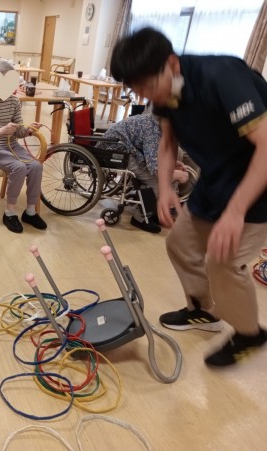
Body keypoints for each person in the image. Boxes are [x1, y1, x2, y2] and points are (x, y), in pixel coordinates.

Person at [110, 27, 267, 367]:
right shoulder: (167, 90)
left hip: (259, 184)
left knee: (223, 261)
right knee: (180, 244)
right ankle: (203, 311)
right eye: (137, 90)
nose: (146, 96)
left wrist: (236, 211)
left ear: (172, 64)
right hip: (217, 178)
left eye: (148, 87)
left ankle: (250, 333)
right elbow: (168, 142)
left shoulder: (221, 76)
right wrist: (164, 188)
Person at [0, 59, 47, 233]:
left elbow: (19, 131)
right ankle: (10, 212)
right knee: (19, 167)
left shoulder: (14, 102)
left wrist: (28, 130)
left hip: (12, 147)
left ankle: (30, 212)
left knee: (36, 166)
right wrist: (1, 131)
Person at [97, 112, 191, 233]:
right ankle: (139, 218)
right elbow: (155, 169)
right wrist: (177, 175)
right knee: (154, 180)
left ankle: (155, 212)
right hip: (114, 151)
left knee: (165, 168)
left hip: (128, 149)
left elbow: (156, 154)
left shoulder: (158, 124)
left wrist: (173, 164)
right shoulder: (152, 130)